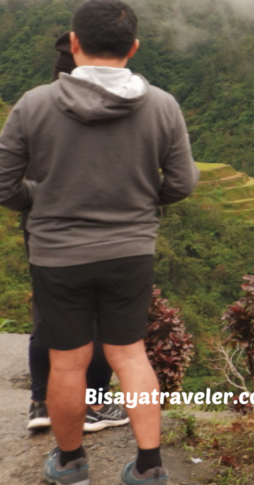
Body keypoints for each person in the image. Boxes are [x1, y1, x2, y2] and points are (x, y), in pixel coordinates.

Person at [0, 0, 199, 485]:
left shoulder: (35, 104)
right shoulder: (162, 106)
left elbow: (3, 184)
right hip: (130, 250)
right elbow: (182, 183)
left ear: (74, 43)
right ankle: (149, 467)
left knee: (67, 361)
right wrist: (135, 200)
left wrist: (41, 199)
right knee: (130, 353)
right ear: (133, 47)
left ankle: (71, 464)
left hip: (57, 254)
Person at [27, 32, 130, 434]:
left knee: (49, 313)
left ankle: (41, 403)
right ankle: (93, 404)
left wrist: (34, 202)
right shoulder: (128, 105)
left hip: (44, 224)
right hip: (109, 227)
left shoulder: (40, 105)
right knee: (102, 320)